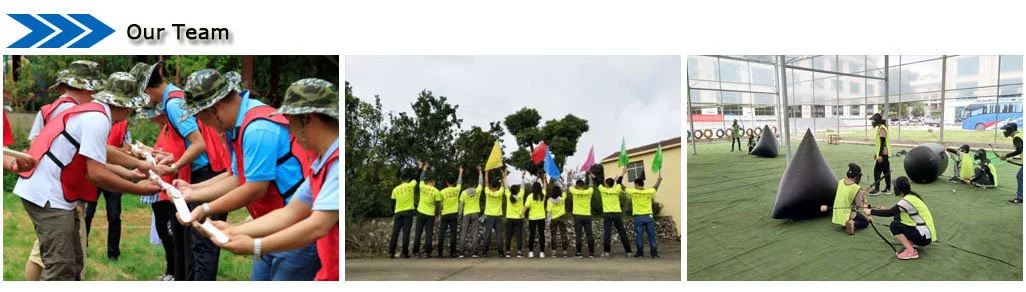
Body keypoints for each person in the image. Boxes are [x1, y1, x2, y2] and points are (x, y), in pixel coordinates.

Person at [15, 72, 163, 280]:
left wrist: (137, 165)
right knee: (60, 268)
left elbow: (101, 150)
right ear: (127, 106)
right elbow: (97, 174)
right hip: (48, 195)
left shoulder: (94, 113)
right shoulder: (98, 119)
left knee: (74, 262)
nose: (130, 113)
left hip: (52, 192)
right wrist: (138, 188)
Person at [175, 69, 319, 280]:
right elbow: (236, 177)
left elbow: (254, 189)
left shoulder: (257, 129)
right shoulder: (239, 127)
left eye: (199, 116)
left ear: (215, 109)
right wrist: (192, 191)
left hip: (296, 228)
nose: (201, 123)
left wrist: (206, 208)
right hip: (270, 224)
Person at [201, 78, 340, 281]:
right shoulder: (321, 164)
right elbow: (290, 212)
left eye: (290, 123)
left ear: (308, 119)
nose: (289, 131)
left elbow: (317, 225)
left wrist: (255, 245)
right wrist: (234, 230)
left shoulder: (336, 164)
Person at [130, 61, 232, 280]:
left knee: (202, 243)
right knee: (191, 242)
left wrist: (174, 166)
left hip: (208, 172)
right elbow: (188, 145)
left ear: (147, 91)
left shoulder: (173, 104)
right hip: (202, 171)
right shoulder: (174, 97)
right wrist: (170, 158)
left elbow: (199, 144)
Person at [864, 176, 937, 260]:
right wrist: (885, 210)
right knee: (897, 219)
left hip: (923, 237)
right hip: (926, 236)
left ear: (898, 189)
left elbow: (890, 213)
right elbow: (895, 213)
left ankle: (911, 251)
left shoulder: (906, 201)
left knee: (894, 225)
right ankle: (912, 242)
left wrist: (870, 212)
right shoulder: (912, 197)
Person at [594, 167, 632, 258]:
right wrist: (623, 173)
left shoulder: (603, 190)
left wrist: (591, 175)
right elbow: (619, 182)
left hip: (607, 214)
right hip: (617, 214)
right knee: (622, 233)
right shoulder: (617, 190)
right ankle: (629, 252)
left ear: (606, 184)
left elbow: (597, 181)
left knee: (607, 233)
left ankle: (607, 252)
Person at [824, 163, 871, 235]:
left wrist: (860, 193)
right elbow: (858, 205)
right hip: (848, 213)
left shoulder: (840, 182)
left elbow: (847, 194)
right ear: (857, 176)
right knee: (865, 222)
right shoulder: (856, 188)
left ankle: (845, 223)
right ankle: (852, 223)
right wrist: (863, 199)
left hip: (837, 214)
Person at [626, 171, 662, 258]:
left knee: (639, 236)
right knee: (652, 236)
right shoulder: (649, 192)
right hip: (649, 217)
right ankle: (654, 254)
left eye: (635, 184)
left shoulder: (633, 192)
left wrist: (620, 179)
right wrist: (658, 181)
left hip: (638, 217)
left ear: (636, 184)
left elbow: (623, 188)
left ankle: (640, 253)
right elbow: (655, 188)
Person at [389, 166, 421, 258]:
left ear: (400, 179)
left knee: (395, 232)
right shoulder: (410, 186)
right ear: (407, 179)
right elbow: (417, 177)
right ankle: (405, 252)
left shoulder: (395, 189)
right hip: (408, 212)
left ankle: (391, 252)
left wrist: (393, 213)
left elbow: (392, 203)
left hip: (398, 212)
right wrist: (420, 168)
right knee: (406, 233)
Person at [412, 162, 441, 259]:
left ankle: (415, 252)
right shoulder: (436, 191)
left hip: (420, 212)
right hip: (430, 214)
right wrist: (437, 215)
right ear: (432, 182)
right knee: (429, 233)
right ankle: (427, 253)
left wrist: (424, 169)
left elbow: (420, 178)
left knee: (418, 233)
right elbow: (438, 205)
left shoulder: (422, 187)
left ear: (427, 181)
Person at [479, 169, 508, 258]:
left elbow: (486, 182)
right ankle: (500, 253)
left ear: (491, 185)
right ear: (498, 185)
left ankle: (484, 252)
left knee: (487, 234)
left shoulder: (487, 192)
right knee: (499, 234)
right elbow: (503, 184)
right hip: (498, 215)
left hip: (489, 215)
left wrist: (486, 173)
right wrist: (504, 176)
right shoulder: (500, 192)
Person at [436, 167, 463, 258]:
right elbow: (460, 182)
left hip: (444, 214)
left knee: (442, 233)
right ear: (454, 183)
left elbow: (440, 204)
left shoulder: (442, 192)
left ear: (447, 182)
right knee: (453, 234)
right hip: (453, 214)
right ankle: (453, 252)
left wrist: (438, 215)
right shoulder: (457, 189)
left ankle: (440, 253)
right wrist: (460, 172)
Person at [458, 166, 484, 258]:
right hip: (475, 214)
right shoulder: (477, 190)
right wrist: (480, 172)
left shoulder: (464, 193)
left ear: (468, 185)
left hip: (466, 214)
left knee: (463, 233)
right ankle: (475, 253)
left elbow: (461, 205)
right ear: (474, 184)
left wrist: (459, 215)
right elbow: (481, 182)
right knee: (474, 233)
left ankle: (461, 252)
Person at [569, 171, 596, 258]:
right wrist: (590, 178)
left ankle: (579, 253)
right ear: (584, 186)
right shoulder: (588, 192)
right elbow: (591, 186)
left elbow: (569, 185)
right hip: (587, 215)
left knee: (578, 235)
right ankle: (591, 253)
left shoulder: (574, 191)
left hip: (578, 216)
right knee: (589, 235)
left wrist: (569, 175)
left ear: (577, 186)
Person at [998, 123, 1022, 204]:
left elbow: (1019, 150)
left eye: (1007, 129)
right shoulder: (1021, 134)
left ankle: (1020, 197)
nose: (1005, 131)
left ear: (1012, 130)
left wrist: (1006, 156)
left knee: (1020, 176)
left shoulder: (1016, 138)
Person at [547, 175, 570, 258]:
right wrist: (561, 181)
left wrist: (548, 221)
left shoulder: (549, 200)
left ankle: (553, 252)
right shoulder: (562, 198)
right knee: (563, 234)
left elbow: (549, 212)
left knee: (553, 235)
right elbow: (565, 188)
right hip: (562, 217)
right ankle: (564, 252)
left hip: (553, 219)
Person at [524, 178, 548, 258]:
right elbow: (545, 188)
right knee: (542, 235)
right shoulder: (542, 195)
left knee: (532, 235)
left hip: (532, 218)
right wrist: (544, 179)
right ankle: (542, 252)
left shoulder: (530, 196)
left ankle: (531, 252)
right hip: (541, 217)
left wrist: (520, 214)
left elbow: (526, 207)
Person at [504, 174, 526, 258]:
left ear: (511, 191)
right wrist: (522, 176)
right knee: (519, 235)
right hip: (519, 218)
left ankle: (508, 253)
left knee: (509, 235)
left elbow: (506, 186)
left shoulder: (508, 195)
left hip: (509, 218)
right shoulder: (520, 195)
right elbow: (523, 186)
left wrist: (504, 177)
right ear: (517, 190)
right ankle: (519, 252)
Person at [869, 113, 891, 195]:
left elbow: (882, 143)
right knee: (886, 171)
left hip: (883, 154)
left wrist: (880, 155)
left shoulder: (882, 128)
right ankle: (888, 189)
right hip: (883, 153)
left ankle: (877, 189)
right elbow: (879, 144)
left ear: (877, 120)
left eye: (874, 120)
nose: (873, 122)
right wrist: (876, 153)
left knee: (876, 171)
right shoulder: (880, 128)